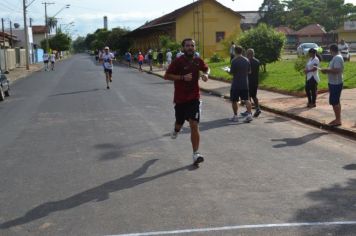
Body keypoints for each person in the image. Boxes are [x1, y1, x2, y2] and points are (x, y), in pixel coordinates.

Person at [164, 38, 210, 166]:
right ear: (183, 48)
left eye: (192, 45)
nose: (190, 47)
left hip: (194, 97)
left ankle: (196, 154)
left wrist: (206, 75)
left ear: (195, 47)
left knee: (194, 124)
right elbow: (166, 75)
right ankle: (176, 130)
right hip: (180, 99)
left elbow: (207, 68)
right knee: (179, 123)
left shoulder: (197, 60)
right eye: (188, 46)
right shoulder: (178, 61)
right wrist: (182, 77)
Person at [320, 44, 344, 127]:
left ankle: (338, 120)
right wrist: (326, 70)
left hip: (335, 83)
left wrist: (326, 70)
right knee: (336, 101)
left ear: (331, 50)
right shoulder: (337, 57)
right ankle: (338, 118)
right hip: (334, 82)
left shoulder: (337, 57)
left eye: (329, 50)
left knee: (335, 102)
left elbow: (337, 70)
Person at [229, 45, 253, 123]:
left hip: (236, 84)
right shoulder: (246, 60)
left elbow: (231, 72)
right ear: (242, 51)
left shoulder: (234, 61)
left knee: (234, 100)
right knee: (247, 99)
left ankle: (235, 116)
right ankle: (249, 115)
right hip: (244, 83)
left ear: (235, 51)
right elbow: (249, 72)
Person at [246, 48, 261, 117]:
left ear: (248, 54)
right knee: (254, 96)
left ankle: (248, 110)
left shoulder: (247, 62)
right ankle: (257, 108)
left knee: (248, 96)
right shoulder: (257, 61)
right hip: (255, 81)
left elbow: (248, 72)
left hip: (249, 81)